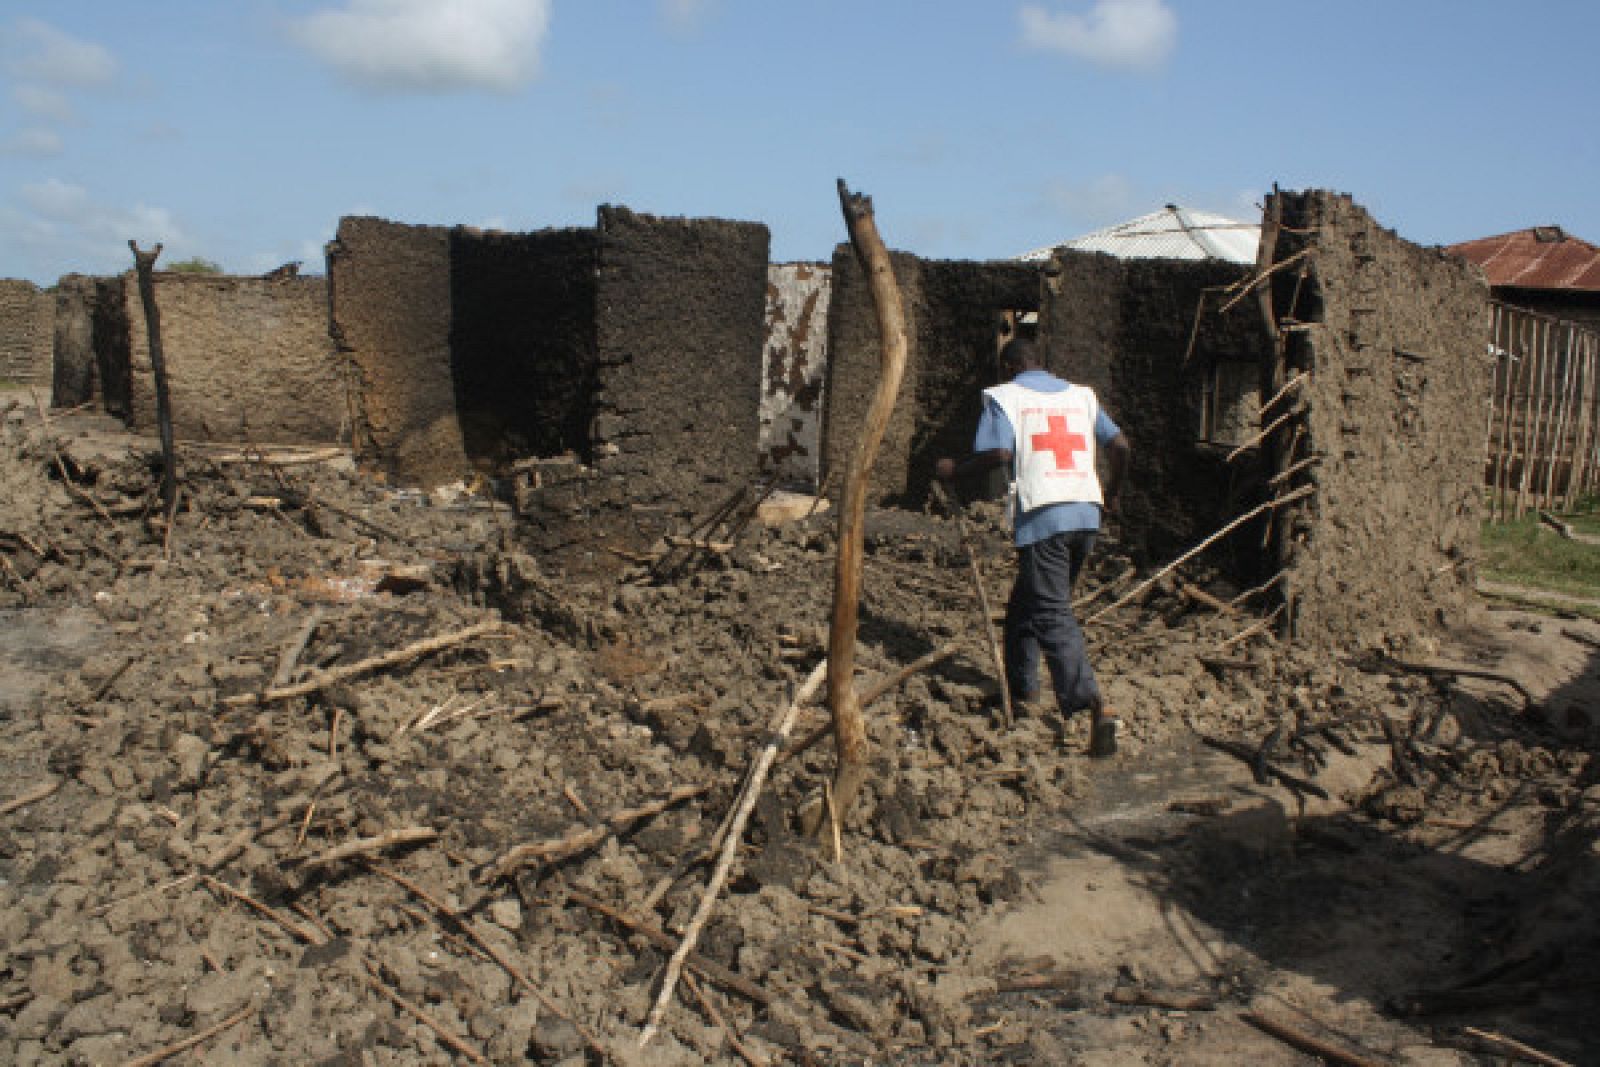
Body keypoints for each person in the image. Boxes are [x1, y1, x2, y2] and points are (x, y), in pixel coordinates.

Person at [936, 336, 1130, 756]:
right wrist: (1113, 493)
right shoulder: (1081, 396)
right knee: (1027, 607)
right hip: (1086, 515)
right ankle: (1023, 691)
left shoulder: (1005, 397)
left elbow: (999, 453)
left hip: (1046, 517)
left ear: (1008, 368)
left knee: (1051, 612)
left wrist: (955, 470)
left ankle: (1093, 704)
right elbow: (1119, 446)